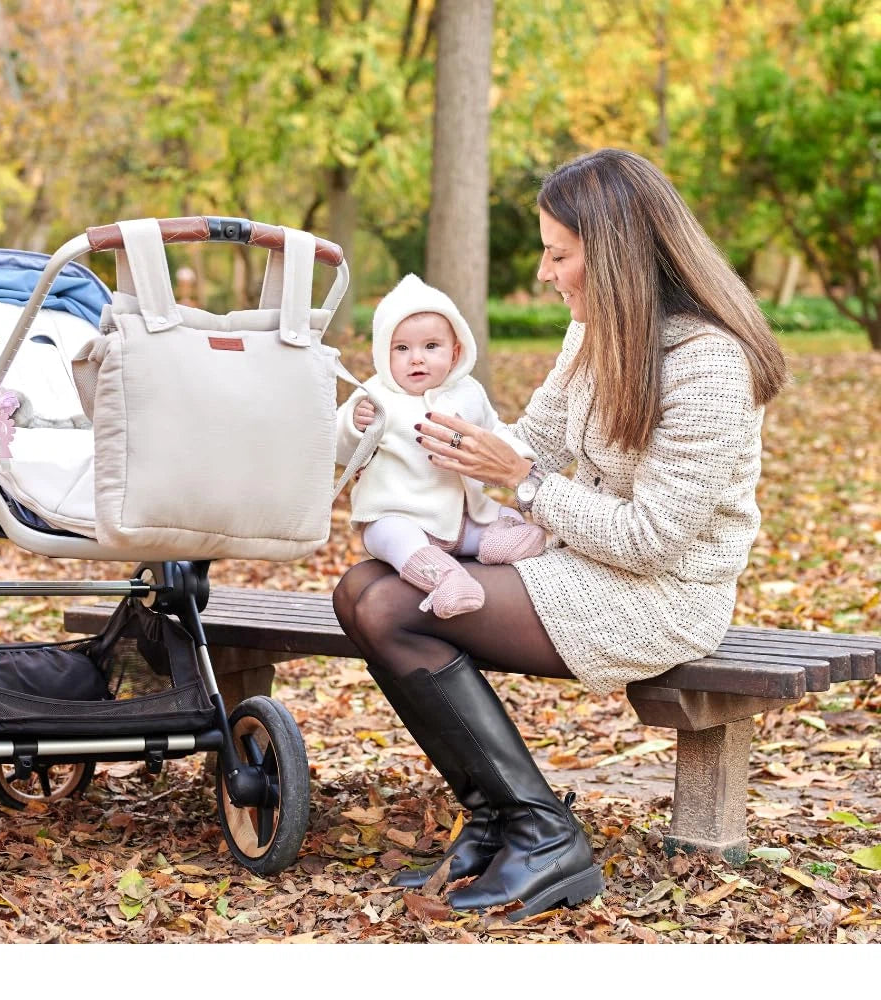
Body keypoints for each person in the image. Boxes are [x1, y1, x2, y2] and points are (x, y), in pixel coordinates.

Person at [332, 148, 787, 921]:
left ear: (610, 256)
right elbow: (529, 440)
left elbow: (652, 539)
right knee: (362, 587)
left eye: (558, 253)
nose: (546, 272)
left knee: (388, 608)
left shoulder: (712, 364)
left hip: (663, 596)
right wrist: (409, 434)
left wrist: (525, 482)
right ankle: (497, 819)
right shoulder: (595, 332)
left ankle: (542, 835)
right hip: (585, 561)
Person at [336, 273, 546, 619]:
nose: (416, 359)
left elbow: (493, 430)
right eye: (401, 348)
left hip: (461, 516)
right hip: (396, 514)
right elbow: (341, 452)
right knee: (393, 536)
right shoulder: (375, 396)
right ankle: (445, 578)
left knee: (502, 518)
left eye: (431, 347)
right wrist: (353, 425)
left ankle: (499, 543)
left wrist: (517, 453)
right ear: (381, 353)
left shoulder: (468, 391)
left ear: (455, 352)